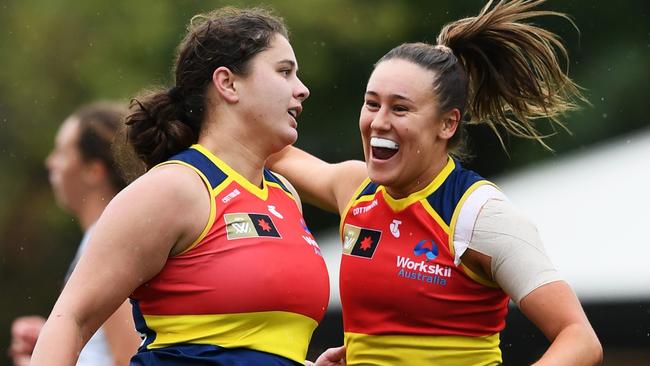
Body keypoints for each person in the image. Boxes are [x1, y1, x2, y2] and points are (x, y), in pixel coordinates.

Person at [268, 0, 603, 365]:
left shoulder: (479, 215)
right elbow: (268, 151)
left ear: (447, 124)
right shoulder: (356, 187)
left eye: (400, 109)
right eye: (371, 104)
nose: (379, 122)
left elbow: (580, 340)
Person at [29, 7, 345, 366]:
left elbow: (244, 345)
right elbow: (71, 319)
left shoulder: (285, 195)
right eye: (284, 72)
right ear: (227, 83)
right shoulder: (174, 188)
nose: (301, 90)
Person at [9, 102, 141, 366]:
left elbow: (129, 358)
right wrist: (52, 341)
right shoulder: (105, 237)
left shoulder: (108, 242)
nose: (50, 163)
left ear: (94, 170)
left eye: (61, 152)